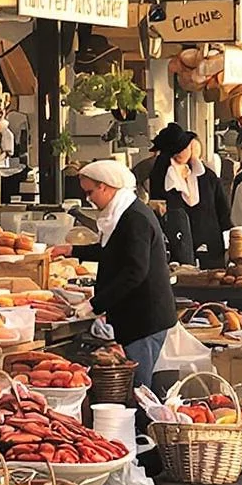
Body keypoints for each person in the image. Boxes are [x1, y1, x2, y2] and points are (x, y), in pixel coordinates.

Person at [77, 158, 176, 391]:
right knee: (137, 385)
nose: (88, 199)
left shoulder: (134, 218)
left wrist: (95, 304)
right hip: (136, 317)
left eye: (90, 192)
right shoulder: (122, 213)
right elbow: (112, 252)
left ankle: (143, 427)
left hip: (144, 318)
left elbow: (135, 271)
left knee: (140, 388)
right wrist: (72, 250)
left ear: (105, 187)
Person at [147, 126, 230, 267]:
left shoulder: (207, 176)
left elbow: (223, 211)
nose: (186, 151)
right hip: (176, 250)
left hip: (211, 248)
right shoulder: (161, 175)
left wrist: (230, 243)